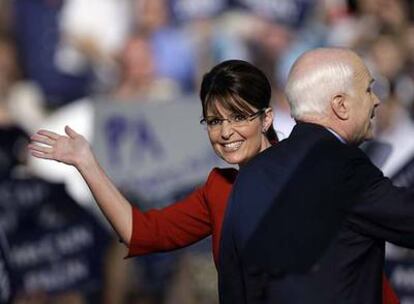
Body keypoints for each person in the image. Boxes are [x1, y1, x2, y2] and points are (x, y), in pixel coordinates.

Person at [28, 59, 398, 303]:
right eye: (215, 121)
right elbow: (142, 233)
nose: (226, 132)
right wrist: (87, 162)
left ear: (267, 118)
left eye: (238, 117)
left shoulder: (319, 171)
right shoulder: (220, 189)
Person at [218, 48, 413, 304]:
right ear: (340, 105)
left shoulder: (252, 171)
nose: (376, 100)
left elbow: (234, 279)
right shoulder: (344, 166)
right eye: (368, 89)